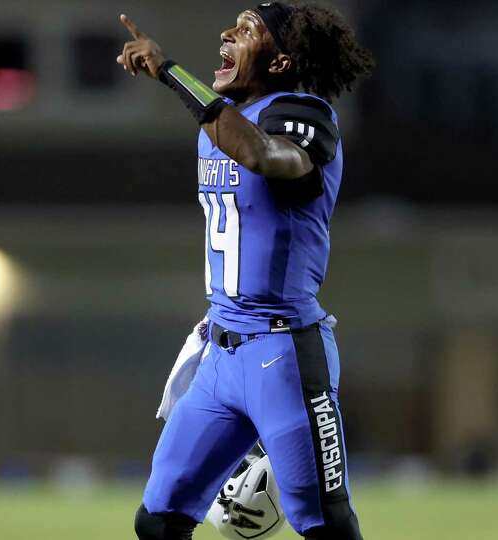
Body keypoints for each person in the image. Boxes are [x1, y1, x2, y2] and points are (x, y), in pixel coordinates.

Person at [115, 3, 373, 538]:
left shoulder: (304, 115)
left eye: (249, 29)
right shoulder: (222, 122)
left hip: (282, 357)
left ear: (279, 63)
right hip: (220, 357)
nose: (228, 33)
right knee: (158, 521)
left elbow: (259, 154)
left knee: (328, 526)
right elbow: (233, 135)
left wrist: (170, 71)